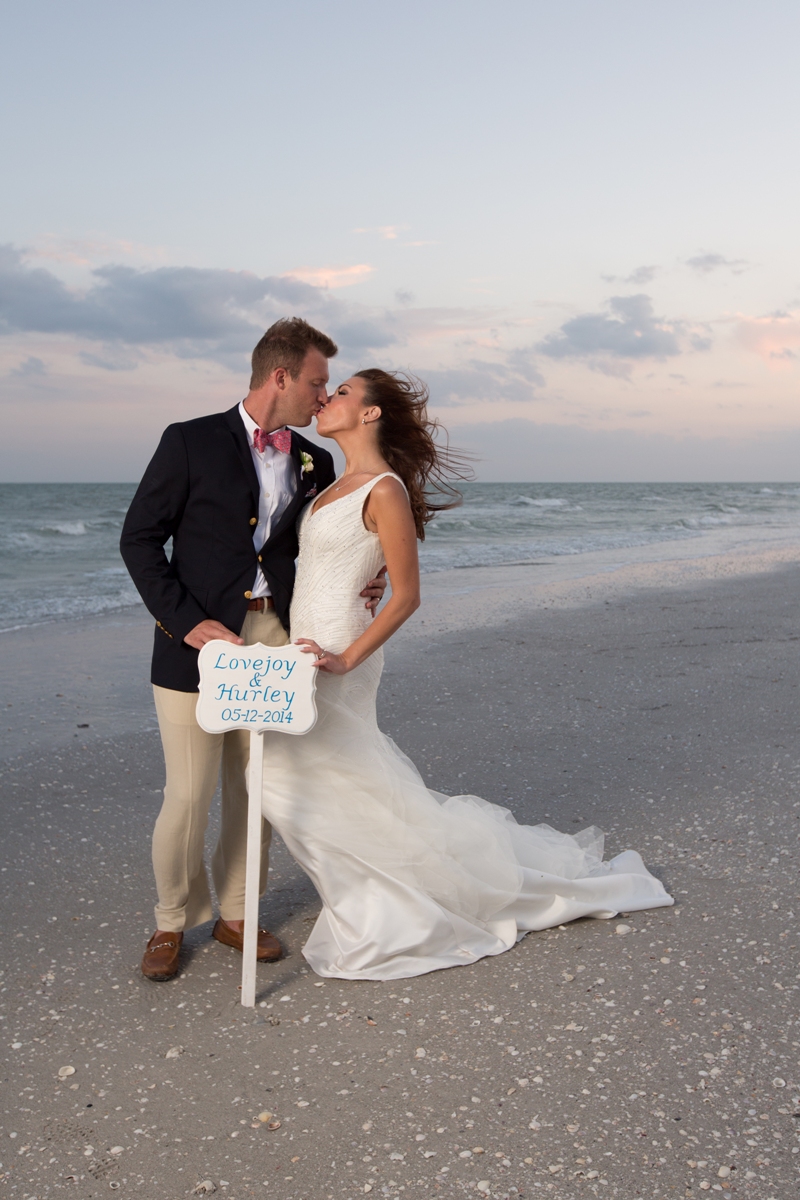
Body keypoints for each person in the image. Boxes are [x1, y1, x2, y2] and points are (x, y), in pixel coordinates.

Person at [260, 369, 674, 980]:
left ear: (371, 414)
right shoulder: (327, 483)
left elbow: (406, 595)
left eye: (342, 392)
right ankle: (370, 892)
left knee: (302, 772)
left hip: (342, 648)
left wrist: (348, 656)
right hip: (303, 640)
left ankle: (384, 904)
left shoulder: (384, 489)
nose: (327, 399)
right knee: (321, 774)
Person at [120, 319, 387, 981]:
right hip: (196, 644)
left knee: (256, 786)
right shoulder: (187, 442)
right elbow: (139, 540)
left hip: (277, 639)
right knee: (187, 794)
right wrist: (186, 623)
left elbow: (320, 544)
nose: (323, 397)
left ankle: (238, 914)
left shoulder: (314, 460)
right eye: (318, 382)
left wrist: (368, 573)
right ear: (280, 377)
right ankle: (171, 918)